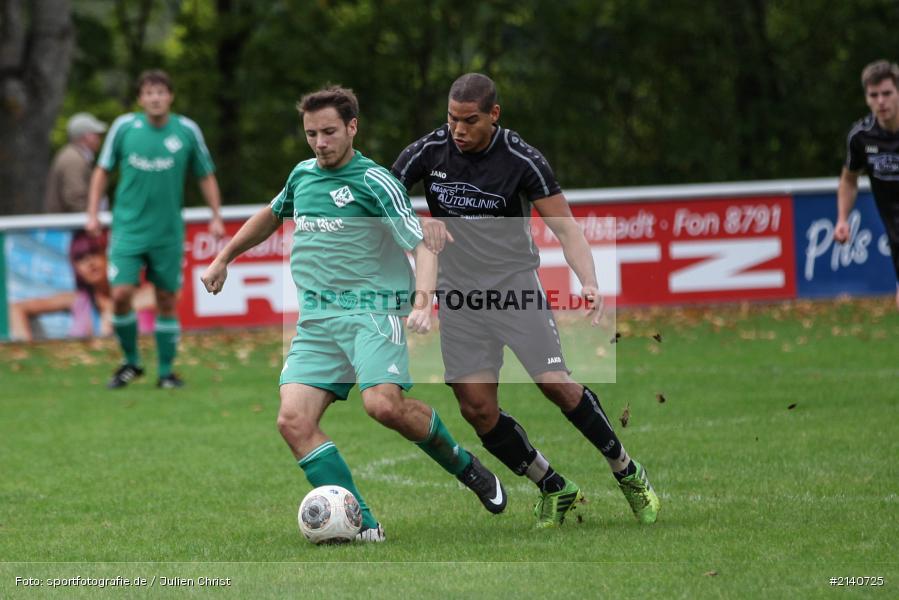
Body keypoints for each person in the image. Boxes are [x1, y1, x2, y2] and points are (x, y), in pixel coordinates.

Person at [200, 86, 507, 542]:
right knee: (293, 421)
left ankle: (465, 466)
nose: (320, 143)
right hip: (317, 322)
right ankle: (362, 524)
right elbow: (271, 214)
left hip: (372, 312)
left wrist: (424, 301)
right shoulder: (302, 175)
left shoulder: (373, 181)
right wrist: (224, 256)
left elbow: (421, 244)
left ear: (352, 127)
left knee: (383, 405)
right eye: (311, 134)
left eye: (328, 132)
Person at [391, 73, 660, 528]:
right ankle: (554, 486)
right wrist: (419, 222)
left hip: (514, 286)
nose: (457, 129)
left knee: (555, 382)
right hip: (458, 297)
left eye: (469, 120)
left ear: (494, 115)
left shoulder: (521, 158)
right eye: (452, 118)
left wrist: (589, 281)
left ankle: (627, 471)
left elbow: (567, 228)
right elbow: (383, 198)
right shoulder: (427, 151)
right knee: (477, 409)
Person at [86, 69, 225, 389]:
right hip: (128, 229)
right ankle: (131, 362)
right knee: (121, 294)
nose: (155, 98)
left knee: (165, 298)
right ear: (140, 98)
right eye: (149, 93)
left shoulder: (187, 130)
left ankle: (165, 372)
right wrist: (92, 213)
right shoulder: (124, 128)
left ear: (170, 97)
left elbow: (205, 174)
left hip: (167, 232)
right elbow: (102, 170)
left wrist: (216, 215)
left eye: (161, 92)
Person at [836, 59, 899, 311]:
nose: (881, 101)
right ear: (866, 98)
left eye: (887, 93)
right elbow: (849, 179)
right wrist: (842, 219)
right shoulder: (861, 137)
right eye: (874, 95)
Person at [44, 113, 107, 213]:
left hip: (68, 225)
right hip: (68, 226)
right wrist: (92, 220)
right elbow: (75, 198)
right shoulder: (73, 159)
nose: (99, 139)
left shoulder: (73, 155)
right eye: (96, 135)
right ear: (87, 136)